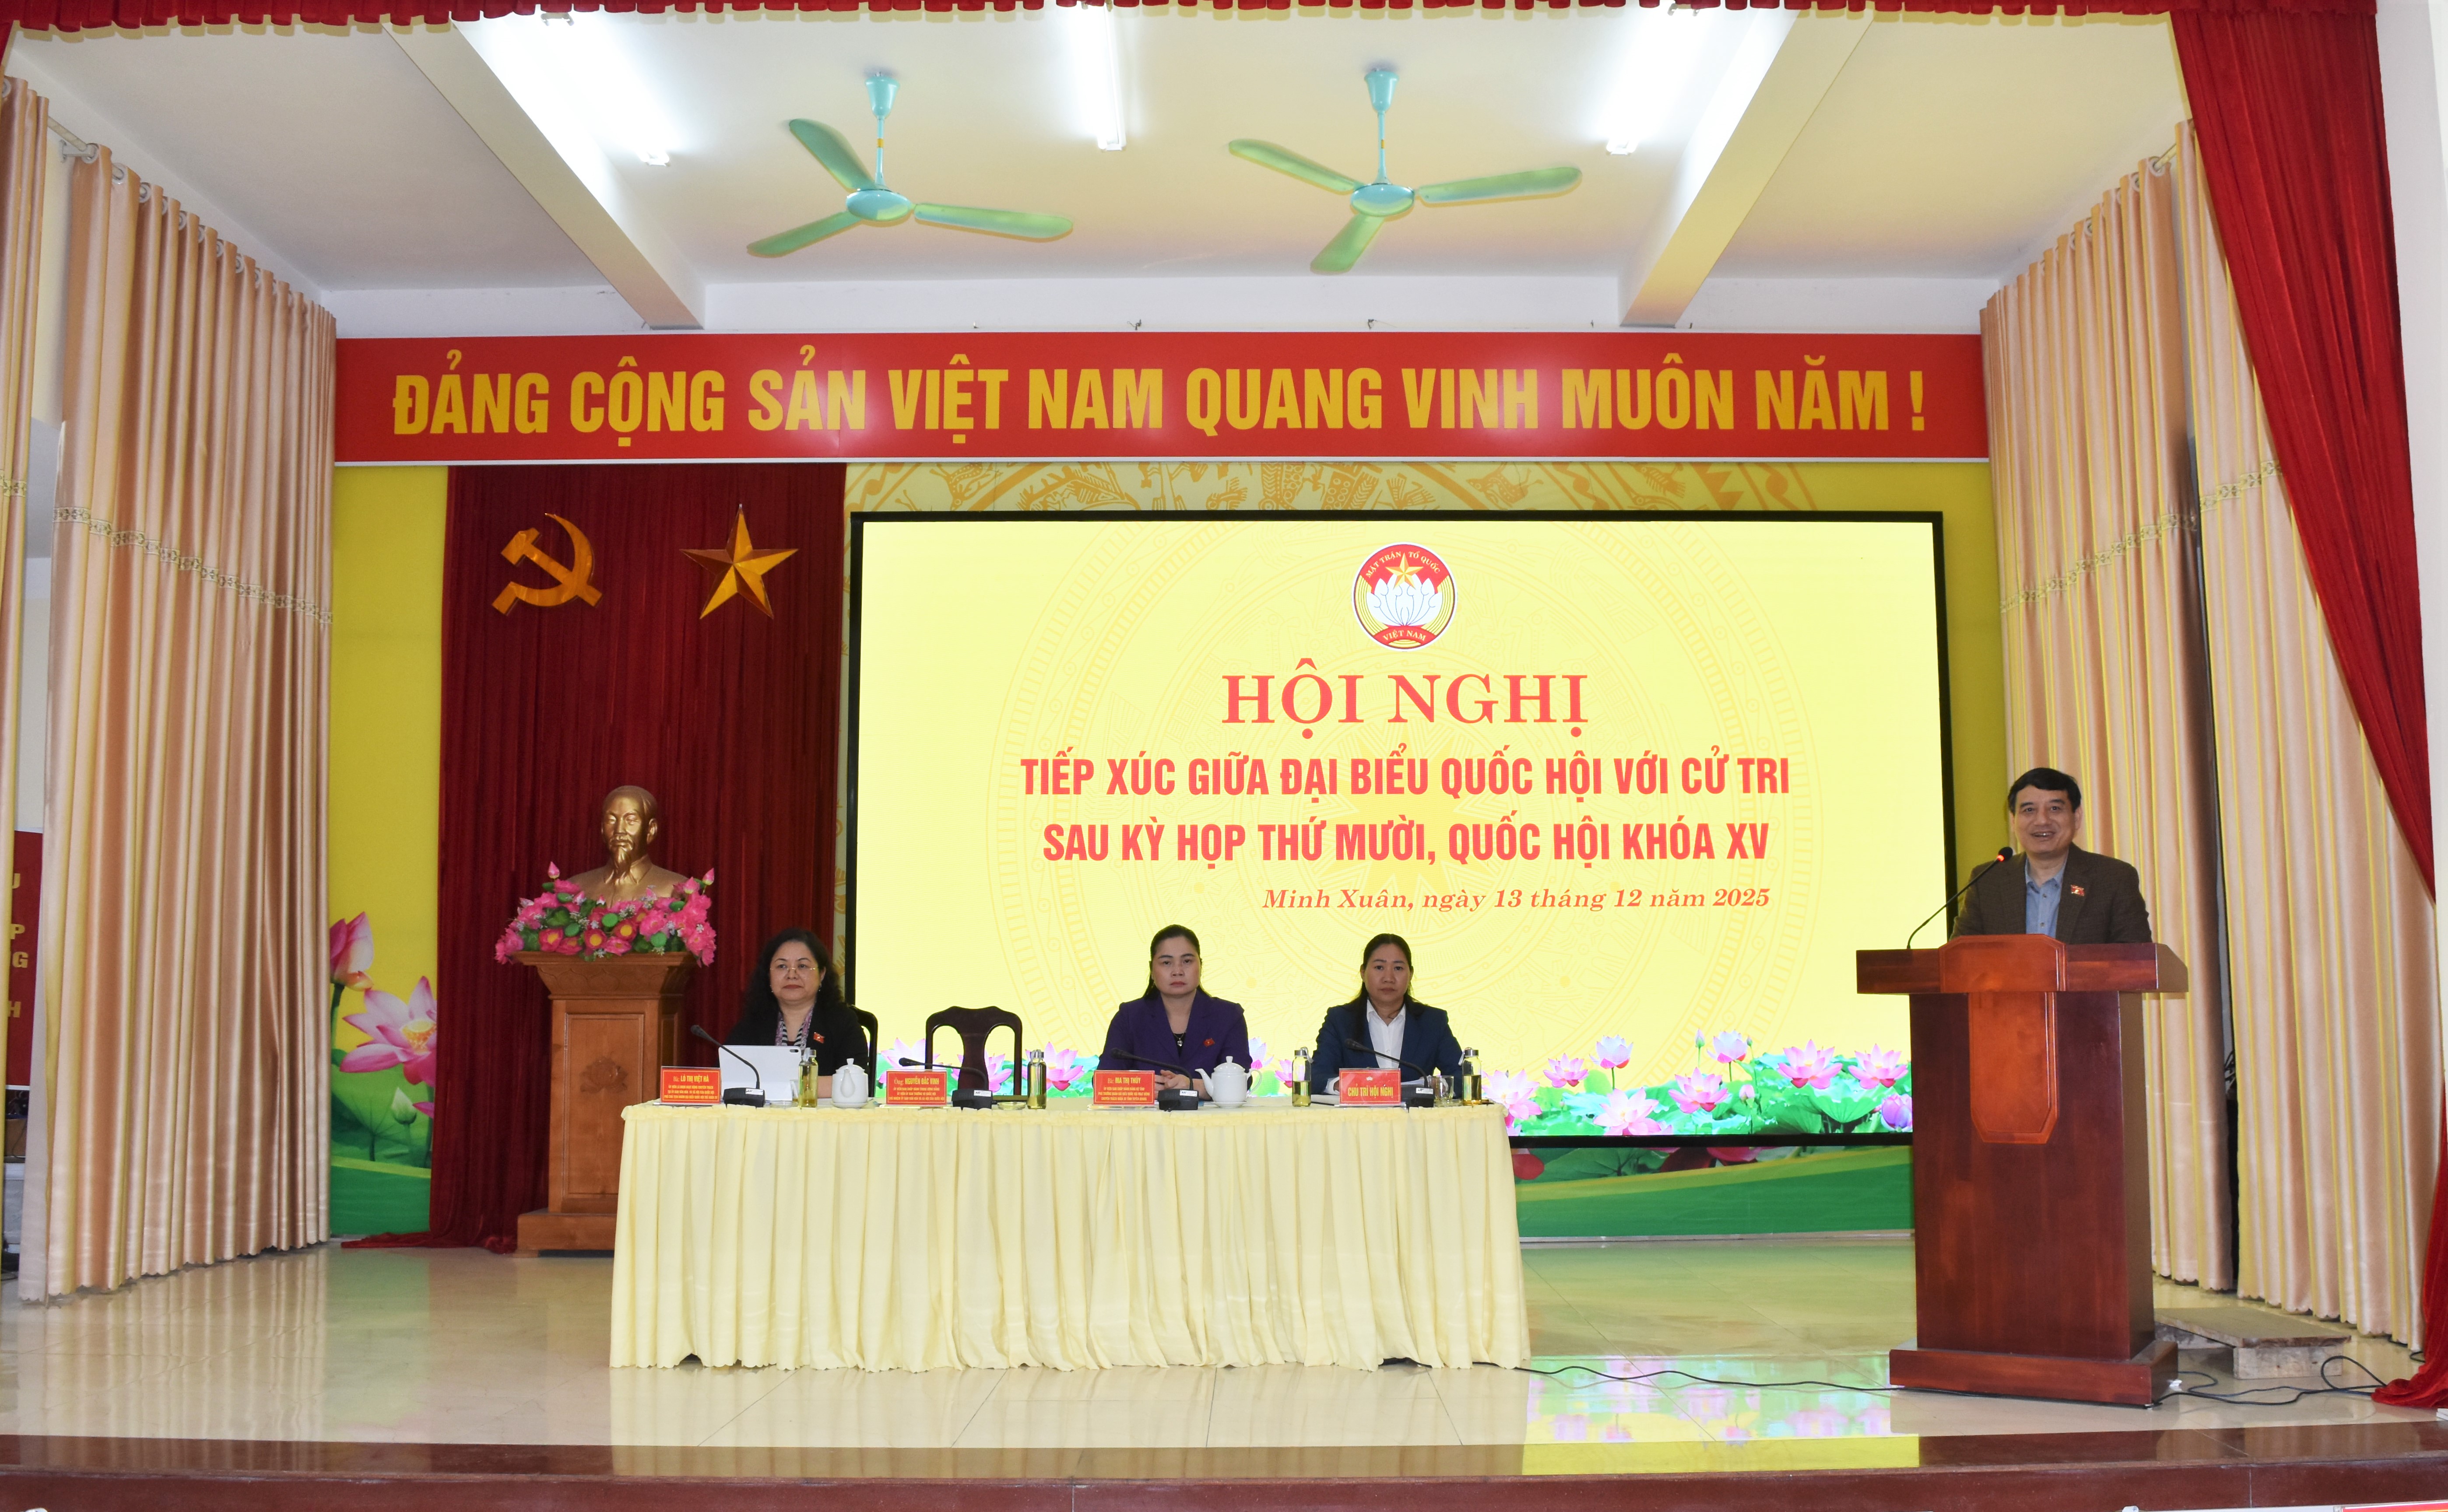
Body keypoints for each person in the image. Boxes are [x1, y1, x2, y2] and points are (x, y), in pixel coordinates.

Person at [1953, 767, 2152, 944]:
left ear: (2076, 817)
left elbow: (2136, 961)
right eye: (2029, 810)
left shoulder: (2113, 878)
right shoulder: (1988, 881)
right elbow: (1958, 961)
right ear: (2013, 821)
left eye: (2055, 809)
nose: (2042, 821)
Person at [1098, 925, 1251, 1098]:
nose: (1178, 971)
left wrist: (1190, 1084)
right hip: (1145, 1123)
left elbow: (1243, 1079)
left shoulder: (1228, 1016)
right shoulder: (1129, 1017)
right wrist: (1145, 1087)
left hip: (1211, 1123)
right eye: (1167, 963)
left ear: (1200, 965)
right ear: (1152, 970)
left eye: (1187, 961)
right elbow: (1104, 1081)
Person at [1303, 933, 1465, 1095]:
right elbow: (1318, 1076)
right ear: (1363, 973)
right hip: (1357, 1118)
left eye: (1398, 968)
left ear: (1411, 975)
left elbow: (1462, 1076)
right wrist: (1347, 1086)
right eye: (1379, 967)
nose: (1389, 978)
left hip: (1415, 1118)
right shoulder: (1340, 1020)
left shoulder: (1432, 1022)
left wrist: (1438, 1087)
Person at [727, 928, 865, 1095]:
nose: (792, 974)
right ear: (768, 976)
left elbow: (857, 1082)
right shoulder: (752, 1024)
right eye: (782, 966)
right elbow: (728, 1079)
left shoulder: (842, 1022)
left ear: (822, 974)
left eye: (803, 966)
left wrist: (784, 1087)